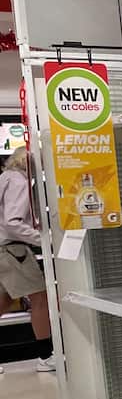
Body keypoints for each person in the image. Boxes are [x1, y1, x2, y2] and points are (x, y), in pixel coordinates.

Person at [0, 148, 55, 373]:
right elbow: (12, 222)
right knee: (40, 298)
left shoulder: (5, 177)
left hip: (3, 249)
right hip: (13, 250)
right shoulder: (19, 181)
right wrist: (44, 239)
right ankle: (45, 356)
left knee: (3, 301)